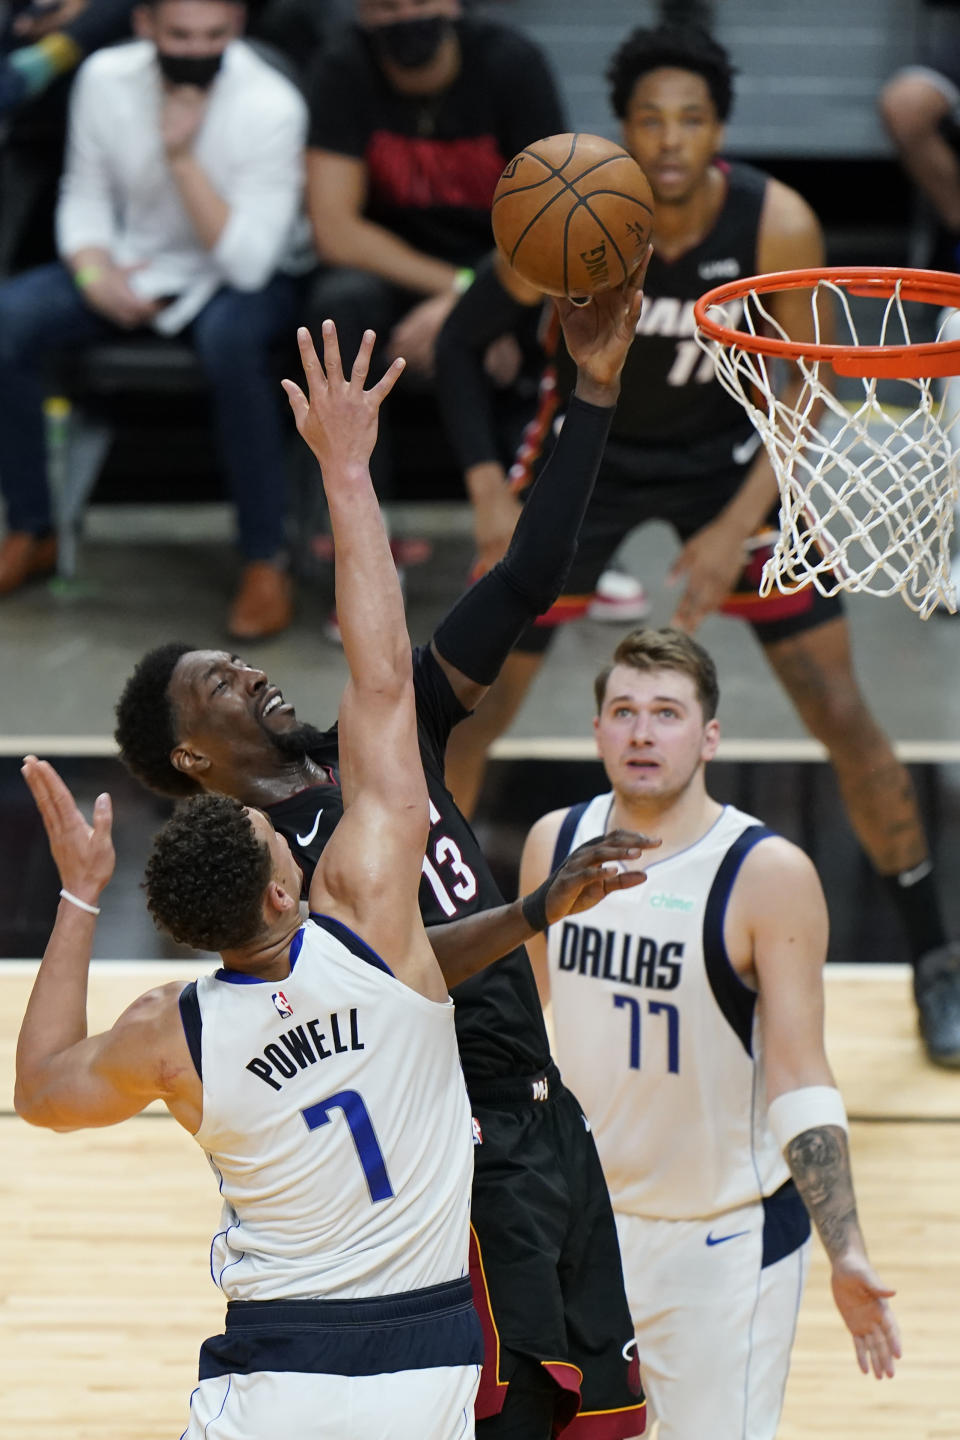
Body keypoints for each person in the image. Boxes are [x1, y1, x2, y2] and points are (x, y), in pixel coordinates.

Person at [113, 273, 652, 1438]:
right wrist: (535, 909)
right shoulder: (271, 883)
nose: (249, 673)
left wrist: (593, 395)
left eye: (236, 661)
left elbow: (522, 582)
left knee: (606, 1425)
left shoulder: (384, 739)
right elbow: (392, 973)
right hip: (452, 1151)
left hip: (548, 1109)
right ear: (192, 758)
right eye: (217, 682)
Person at [434, 19, 960, 1068]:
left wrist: (732, 530)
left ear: (719, 126)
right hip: (594, 456)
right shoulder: (576, 207)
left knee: (843, 712)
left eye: (691, 119)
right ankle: (432, 952)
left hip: (740, 460)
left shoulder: (778, 221)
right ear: (621, 128)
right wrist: (493, 493)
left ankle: (935, 962)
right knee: (467, 713)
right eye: (648, 120)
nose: (669, 140)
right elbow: (456, 341)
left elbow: (805, 393)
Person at [15, 322, 489, 1438]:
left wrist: (80, 894)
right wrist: (345, 472)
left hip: (275, 1373)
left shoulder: (168, 1033)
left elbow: (38, 1093)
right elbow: (381, 686)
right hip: (428, 1368)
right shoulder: (374, 916)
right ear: (285, 894)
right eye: (285, 849)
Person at [518, 626, 902, 1440]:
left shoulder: (768, 875)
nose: (642, 732)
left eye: (666, 713)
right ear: (597, 731)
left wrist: (849, 1250)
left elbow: (801, 1075)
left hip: (722, 1243)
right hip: (584, 1232)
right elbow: (520, 1034)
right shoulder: (555, 843)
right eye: (623, 711)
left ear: (709, 736)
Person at [0, 0, 308, 639]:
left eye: (214, 35)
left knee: (233, 342)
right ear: (144, 26)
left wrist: (182, 157)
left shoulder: (273, 104)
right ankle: (32, 528)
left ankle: (263, 557)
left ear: (239, 28)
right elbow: (83, 193)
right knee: (9, 319)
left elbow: (249, 264)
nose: (196, 50)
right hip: (132, 267)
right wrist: (92, 272)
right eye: (179, 34)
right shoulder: (105, 78)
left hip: (239, 276)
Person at [303, 0, 563, 508]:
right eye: (388, 7)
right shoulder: (342, 67)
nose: (406, 19)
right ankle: (350, 526)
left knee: (555, 307)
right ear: (362, 13)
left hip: (503, 268)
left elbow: (551, 217)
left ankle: (553, 532)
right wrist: (459, 292)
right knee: (338, 306)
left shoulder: (512, 63)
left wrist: (475, 304)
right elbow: (334, 230)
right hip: (396, 274)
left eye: (421, 3)